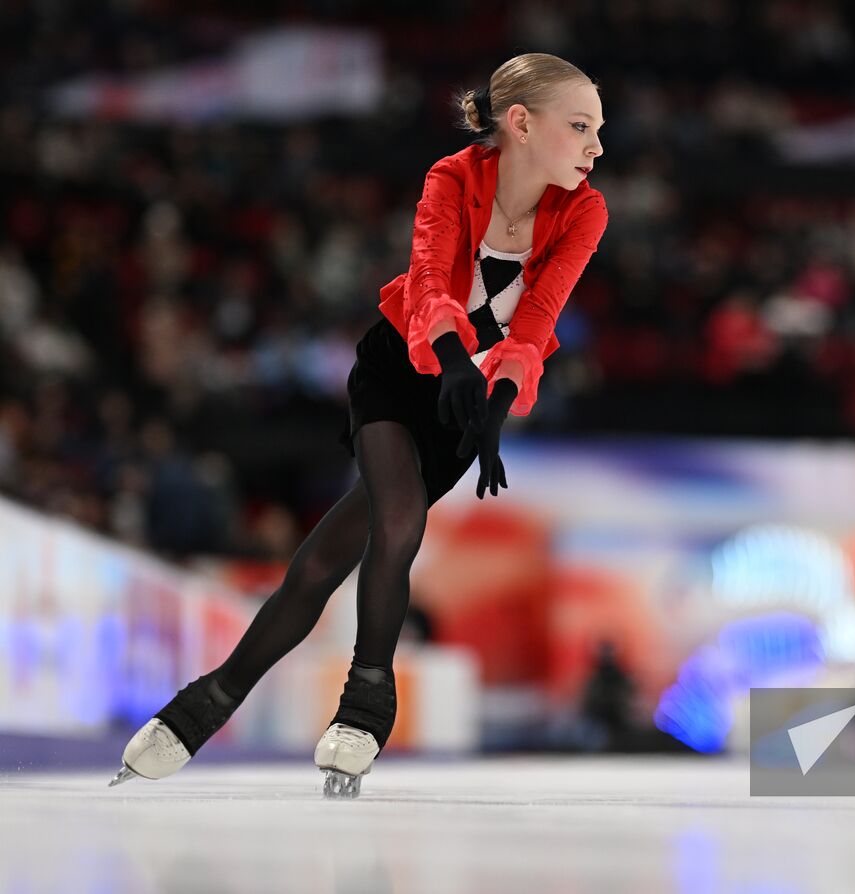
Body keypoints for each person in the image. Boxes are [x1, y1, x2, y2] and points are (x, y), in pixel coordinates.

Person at [108, 52, 608, 798]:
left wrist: (494, 406)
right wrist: (455, 357)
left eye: (599, 129)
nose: (597, 146)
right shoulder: (451, 177)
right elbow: (432, 280)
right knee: (397, 525)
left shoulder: (585, 210)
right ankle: (365, 709)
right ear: (522, 124)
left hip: (457, 409)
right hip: (398, 368)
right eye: (581, 127)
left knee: (323, 560)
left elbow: (536, 322)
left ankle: (200, 708)